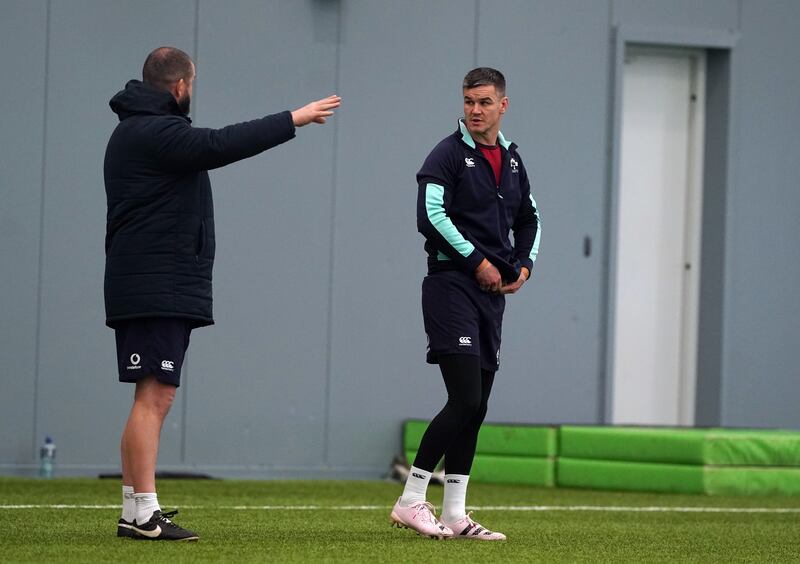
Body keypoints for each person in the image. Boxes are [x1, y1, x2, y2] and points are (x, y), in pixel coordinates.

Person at [104, 46, 340, 541]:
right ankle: (143, 514)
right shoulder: (154, 131)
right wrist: (293, 118)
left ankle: (136, 510)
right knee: (155, 396)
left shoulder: (138, 129)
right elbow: (219, 144)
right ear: (181, 86)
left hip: (152, 284)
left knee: (150, 395)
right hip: (155, 286)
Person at [390, 67, 540, 541]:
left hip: (491, 296)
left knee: (478, 407)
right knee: (465, 398)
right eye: (468, 102)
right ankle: (412, 499)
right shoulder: (447, 154)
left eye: (484, 102)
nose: (475, 111)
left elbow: (530, 218)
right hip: (451, 286)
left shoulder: (513, 161)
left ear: (503, 105)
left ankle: (456, 514)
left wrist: (523, 266)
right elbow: (429, 216)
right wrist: (477, 261)